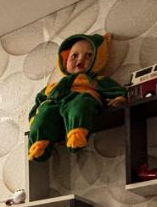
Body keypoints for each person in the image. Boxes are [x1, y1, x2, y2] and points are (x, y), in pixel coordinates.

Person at [27, 33, 127, 162]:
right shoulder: (53, 86)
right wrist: (34, 118)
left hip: (81, 97)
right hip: (56, 103)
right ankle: (39, 143)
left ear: (97, 58)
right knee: (45, 111)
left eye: (88, 55)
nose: (80, 59)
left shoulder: (94, 80)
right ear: (65, 61)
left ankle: (77, 132)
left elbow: (114, 89)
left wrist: (119, 98)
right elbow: (39, 102)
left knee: (81, 103)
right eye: (74, 56)